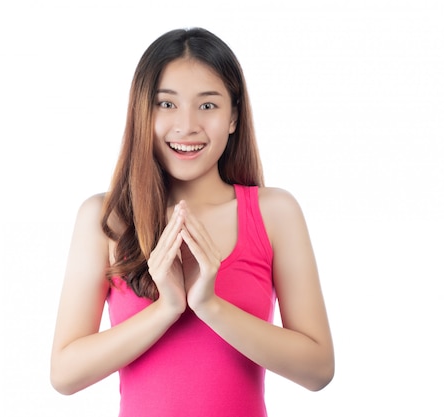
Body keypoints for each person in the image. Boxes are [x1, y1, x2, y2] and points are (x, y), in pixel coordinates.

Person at [50, 27, 334, 417]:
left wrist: (209, 305)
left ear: (234, 116)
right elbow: (64, 373)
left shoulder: (275, 212)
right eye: (166, 105)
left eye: (207, 105)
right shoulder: (105, 219)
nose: (186, 125)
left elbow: (318, 370)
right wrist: (167, 308)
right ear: (142, 112)